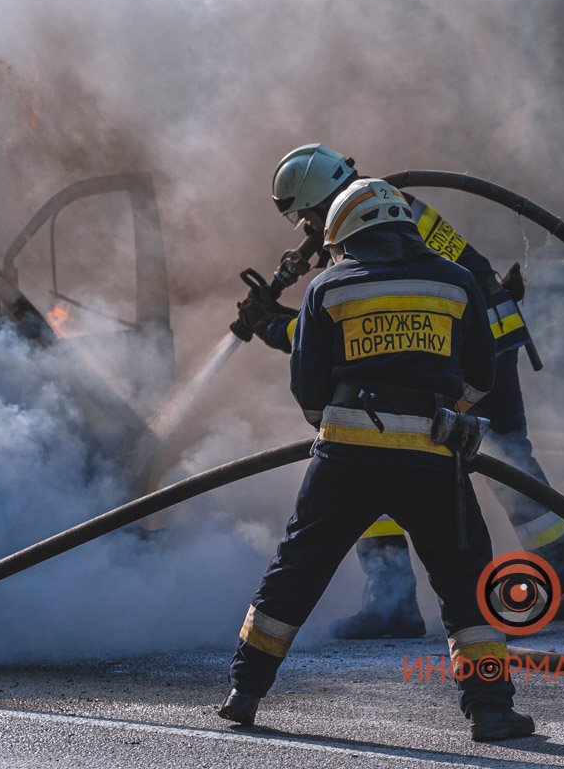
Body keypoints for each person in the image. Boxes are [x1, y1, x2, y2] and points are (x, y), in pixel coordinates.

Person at [220, 179, 534, 741]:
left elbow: (307, 386)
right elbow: (482, 376)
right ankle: (489, 710)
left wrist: (338, 427)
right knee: (466, 582)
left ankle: (244, 693)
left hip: (345, 461)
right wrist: (443, 414)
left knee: (297, 571)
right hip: (435, 461)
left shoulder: (328, 287)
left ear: (345, 236)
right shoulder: (458, 283)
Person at [255, 143, 564, 638]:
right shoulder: (397, 210)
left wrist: (275, 327)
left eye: (306, 216)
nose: (308, 229)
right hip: (485, 338)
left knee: (369, 454)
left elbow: (357, 329)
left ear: (320, 200)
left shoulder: (370, 233)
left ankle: (391, 604)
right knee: (511, 463)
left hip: (461, 348)